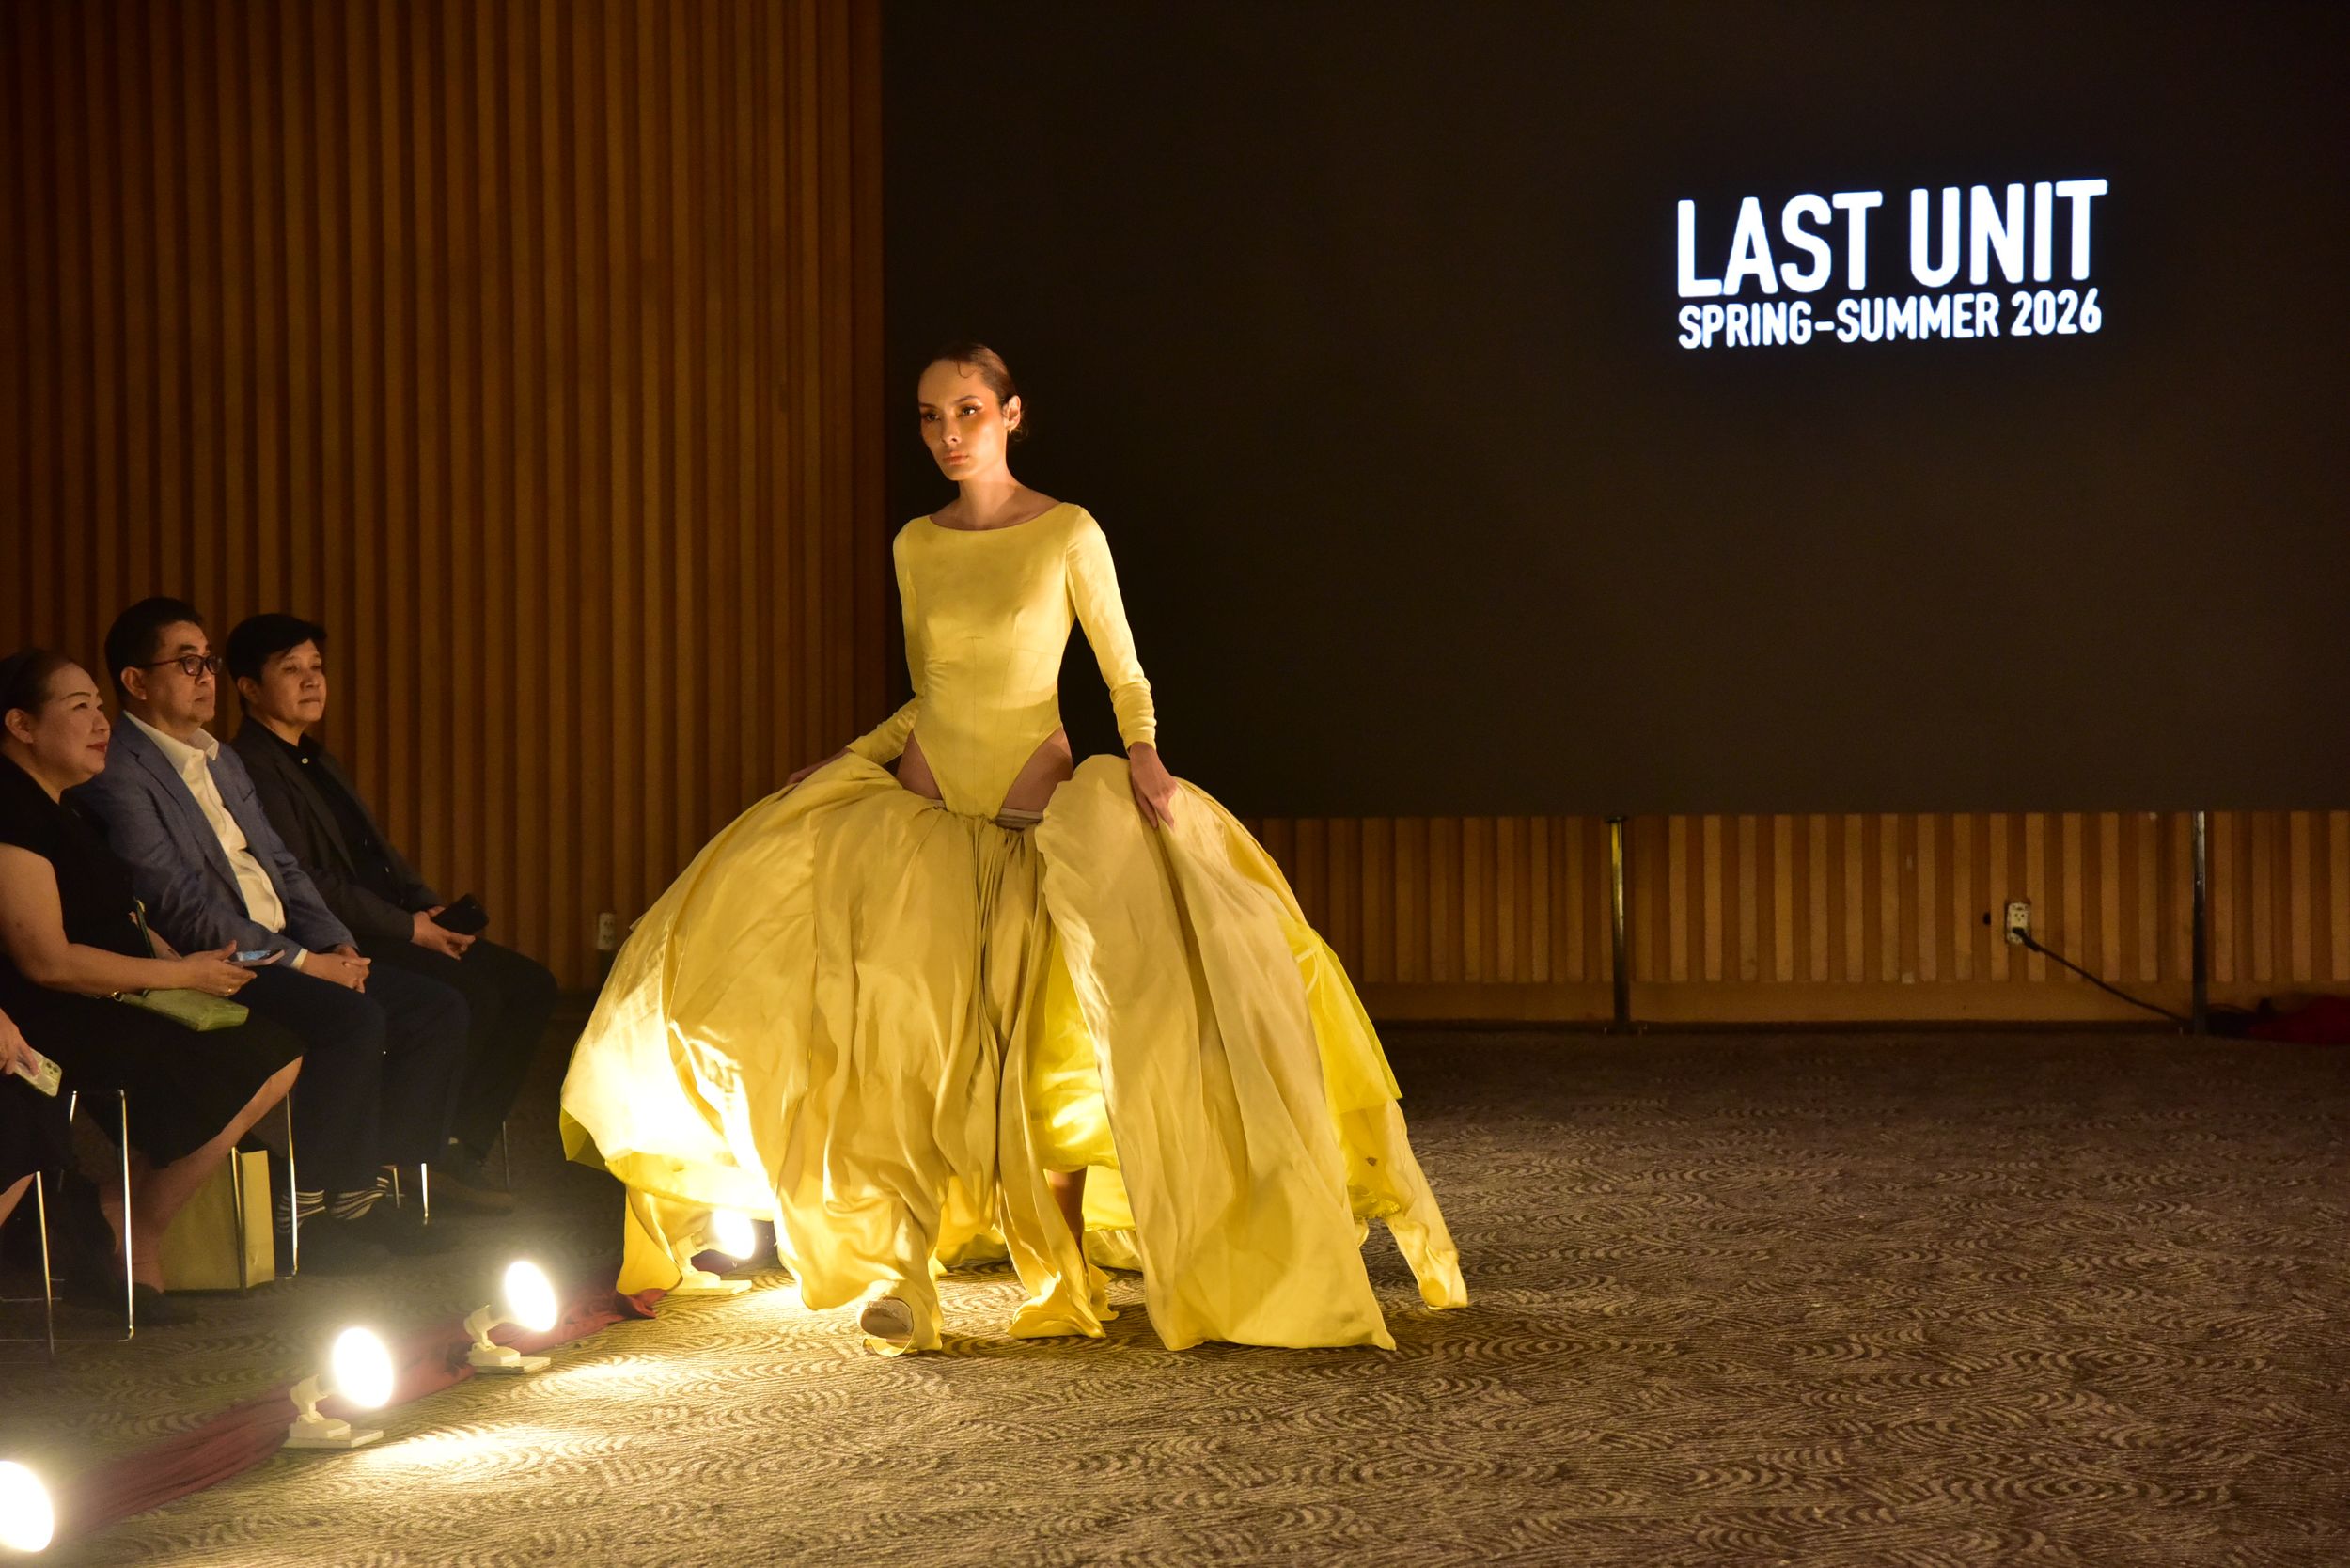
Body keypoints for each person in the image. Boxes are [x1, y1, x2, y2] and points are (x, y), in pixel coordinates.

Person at [562, 343, 1464, 1354]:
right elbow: (932, 691)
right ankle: (900, 1279)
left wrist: (1143, 753)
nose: (948, 433)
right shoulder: (916, 543)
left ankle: (1062, 1270)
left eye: (968, 411)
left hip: (1037, 819)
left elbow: (1123, 670)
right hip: (920, 826)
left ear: (1011, 414)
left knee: (1046, 1063)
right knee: (891, 1048)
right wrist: (852, 758)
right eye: (929, 416)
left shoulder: (1068, 530)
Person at [70, 600, 469, 1268]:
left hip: (291, 943)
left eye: (209, 661)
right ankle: (306, 1212)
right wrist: (305, 962)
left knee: (436, 1009)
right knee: (351, 1020)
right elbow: (179, 907)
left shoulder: (220, 758)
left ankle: (365, 1190)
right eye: (186, 662)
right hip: (220, 960)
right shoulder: (121, 771)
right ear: (136, 681)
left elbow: (283, 865)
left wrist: (337, 943)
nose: (206, 676)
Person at [0, 649, 306, 1322]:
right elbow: (47, 961)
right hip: (53, 1012)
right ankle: (132, 1233)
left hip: (113, 992)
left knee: (274, 1048)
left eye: (99, 705)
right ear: (21, 725)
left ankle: (122, 1211)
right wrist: (178, 975)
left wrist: (180, 961)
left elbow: (116, 915)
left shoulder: (67, 808)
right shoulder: (12, 811)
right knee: (248, 1058)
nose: (100, 721)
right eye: (79, 706)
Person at [226, 614, 557, 1211]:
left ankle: (458, 1144)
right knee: (469, 998)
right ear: (249, 687)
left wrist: (426, 905)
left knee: (531, 986)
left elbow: (379, 853)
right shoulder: (250, 764)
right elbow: (307, 881)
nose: (312, 680)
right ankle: (407, 1165)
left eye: (316, 667)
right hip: (344, 935)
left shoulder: (315, 758)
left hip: (393, 920)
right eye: (291, 669)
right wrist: (410, 929)